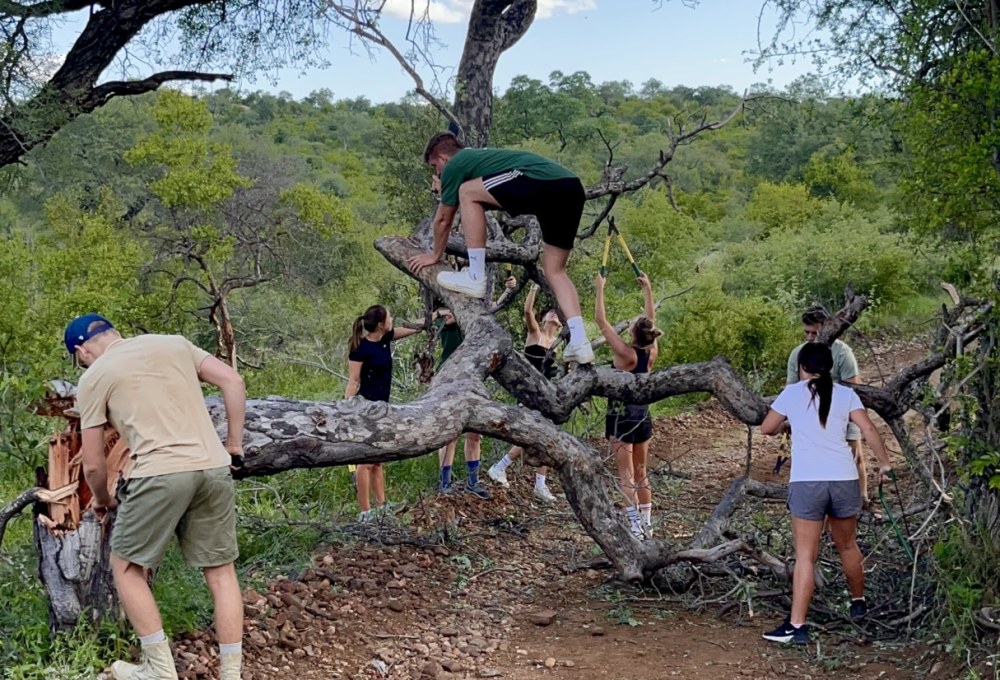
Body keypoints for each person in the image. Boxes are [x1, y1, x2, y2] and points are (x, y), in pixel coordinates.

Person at [67, 313, 246, 680]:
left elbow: (94, 465)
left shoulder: (94, 376)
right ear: (115, 332)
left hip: (157, 473)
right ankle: (231, 674)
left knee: (126, 567)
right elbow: (233, 380)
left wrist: (102, 500)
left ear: (82, 351)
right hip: (213, 466)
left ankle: (160, 669)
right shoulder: (174, 343)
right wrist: (233, 445)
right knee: (221, 572)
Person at [407, 131, 595, 365]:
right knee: (554, 270)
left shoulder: (455, 164)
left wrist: (435, 255)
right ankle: (580, 342)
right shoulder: (480, 160)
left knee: (467, 192)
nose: (437, 174)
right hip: (571, 188)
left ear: (443, 158)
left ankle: (475, 276)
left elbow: (444, 219)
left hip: (544, 181)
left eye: (435, 167)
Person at [761, 342, 893, 645]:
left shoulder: (792, 393)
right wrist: (884, 464)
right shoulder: (846, 394)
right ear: (830, 368)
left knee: (806, 556)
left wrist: (788, 424)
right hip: (844, 478)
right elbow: (869, 430)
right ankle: (858, 602)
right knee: (847, 544)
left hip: (808, 481)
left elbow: (767, 428)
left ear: (801, 367)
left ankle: (797, 626)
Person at [594, 273, 660, 539]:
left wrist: (600, 288)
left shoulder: (625, 353)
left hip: (621, 415)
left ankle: (634, 525)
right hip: (642, 414)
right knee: (641, 470)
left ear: (633, 333)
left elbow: (601, 321)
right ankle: (647, 524)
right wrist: (648, 289)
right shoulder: (651, 353)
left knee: (625, 474)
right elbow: (651, 321)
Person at [346, 305, 423, 521]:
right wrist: (347, 411)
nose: (392, 319)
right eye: (389, 317)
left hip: (383, 409)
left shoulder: (386, 338)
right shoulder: (360, 348)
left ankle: (382, 506)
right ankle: (365, 512)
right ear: (381, 324)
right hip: (365, 409)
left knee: (378, 459)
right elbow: (353, 381)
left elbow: (413, 327)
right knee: (365, 462)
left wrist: (434, 316)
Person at [787, 306, 869, 505]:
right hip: (810, 416)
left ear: (825, 328)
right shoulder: (798, 354)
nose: (809, 337)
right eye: (806, 332)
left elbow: (854, 387)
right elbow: (791, 389)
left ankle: (862, 498)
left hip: (842, 413)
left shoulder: (842, 352)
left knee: (854, 456)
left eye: (814, 333)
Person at [488, 282, 560, 503]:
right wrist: (534, 287)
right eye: (550, 312)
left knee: (545, 436)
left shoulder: (556, 344)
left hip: (546, 395)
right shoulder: (535, 334)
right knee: (533, 433)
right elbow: (528, 311)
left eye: (556, 312)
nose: (552, 313)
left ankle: (539, 484)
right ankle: (501, 467)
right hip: (529, 393)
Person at [433, 307, 491, 499]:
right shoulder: (444, 313)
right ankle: (445, 482)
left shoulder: (475, 315)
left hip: (472, 376)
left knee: (474, 433)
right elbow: (448, 319)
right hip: (449, 375)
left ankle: (473, 482)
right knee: (450, 433)